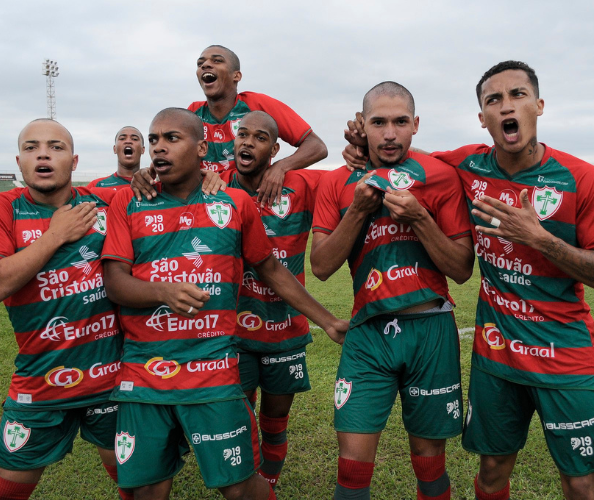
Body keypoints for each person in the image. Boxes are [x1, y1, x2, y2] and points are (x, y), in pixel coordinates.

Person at [343, 62, 594, 500]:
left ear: (539, 105)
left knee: (582, 480)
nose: (506, 106)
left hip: (564, 353)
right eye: (494, 100)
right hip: (497, 354)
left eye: (517, 95)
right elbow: (407, 159)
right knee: (491, 469)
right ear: (482, 117)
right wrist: (364, 150)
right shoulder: (466, 165)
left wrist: (540, 239)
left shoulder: (580, 178)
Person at [101, 107, 347, 500]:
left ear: (201, 147)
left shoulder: (233, 202)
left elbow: (270, 270)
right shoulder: (128, 203)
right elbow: (115, 282)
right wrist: (164, 291)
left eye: (171, 138)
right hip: (144, 376)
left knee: (241, 487)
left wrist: (328, 321)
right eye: (154, 140)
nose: (159, 148)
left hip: (213, 370)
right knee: (145, 490)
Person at [311, 82, 474, 500]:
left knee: (429, 461)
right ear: (361, 126)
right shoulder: (336, 183)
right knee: (351, 467)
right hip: (368, 335)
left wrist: (420, 218)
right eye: (378, 122)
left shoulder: (440, 176)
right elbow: (321, 266)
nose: (389, 133)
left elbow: (460, 270)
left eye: (400, 122)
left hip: (431, 330)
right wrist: (361, 211)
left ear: (415, 125)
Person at [0, 119, 131, 500]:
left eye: (55, 147)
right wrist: (56, 235)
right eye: (31, 147)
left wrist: (211, 178)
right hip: (40, 380)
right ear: (20, 162)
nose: (43, 153)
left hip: (113, 378)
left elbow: (171, 189)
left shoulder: (106, 202)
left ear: (73, 162)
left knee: (135, 481)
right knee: (8, 488)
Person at [213, 110, 324, 488]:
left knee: (275, 422)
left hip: (284, 329)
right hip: (233, 334)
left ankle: (269, 481)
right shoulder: (214, 187)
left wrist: (359, 151)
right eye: (242, 134)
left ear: (275, 149)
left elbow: (351, 178)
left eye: (259, 138)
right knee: (239, 421)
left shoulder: (301, 186)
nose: (247, 141)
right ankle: (249, 485)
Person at [189, 45, 328, 206]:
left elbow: (317, 146)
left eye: (217, 61)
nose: (205, 65)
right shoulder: (192, 113)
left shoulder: (258, 105)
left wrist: (280, 167)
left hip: (255, 201)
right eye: (200, 63)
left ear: (237, 75)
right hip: (211, 202)